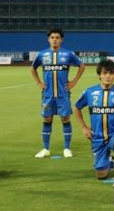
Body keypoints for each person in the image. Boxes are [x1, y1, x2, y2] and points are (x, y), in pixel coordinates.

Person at [31, 28, 85, 158]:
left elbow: (82, 66)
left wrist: (74, 81)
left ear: (61, 40)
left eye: (57, 37)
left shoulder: (68, 54)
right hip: (48, 94)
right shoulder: (42, 54)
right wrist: (39, 83)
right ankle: (46, 149)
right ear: (48, 39)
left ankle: (67, 148)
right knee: (47, 118)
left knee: (65, 118)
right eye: (52, 37)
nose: (54, 40)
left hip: (63, 93)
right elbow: (33, 68)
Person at [73, 60, 114, 180]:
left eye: (111, 73)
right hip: (97, 137)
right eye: (105, 73)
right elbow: (76, 108)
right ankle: (110, 162)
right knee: (101, 175)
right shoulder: (89, 92)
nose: (108, 76)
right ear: (99, 75)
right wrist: (84, 127)